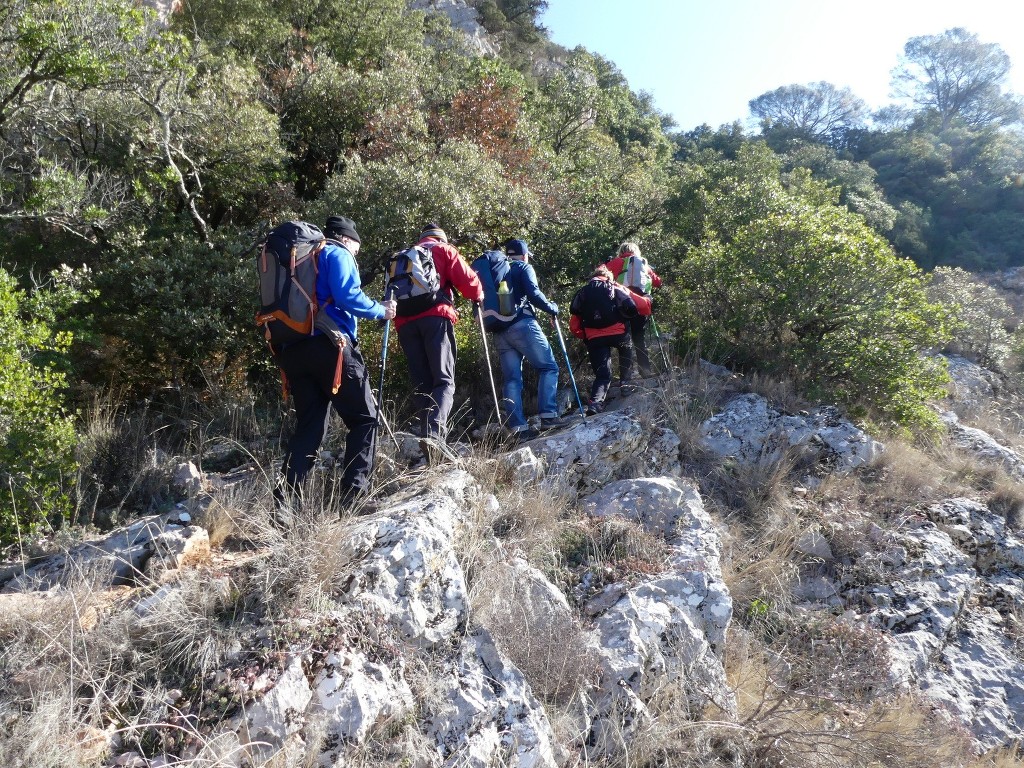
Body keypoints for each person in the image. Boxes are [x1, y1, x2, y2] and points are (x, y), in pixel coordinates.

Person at [276, 215, 396, 518]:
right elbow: (347, 295)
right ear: (347, 239)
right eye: (356, 247)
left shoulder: (299, 259)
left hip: (293, 350)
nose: (355, 253)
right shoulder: (335, 252)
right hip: (330, 348)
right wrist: (381, 310)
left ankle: (284, 507)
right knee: (364, 418)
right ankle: (353, 497)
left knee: (310, 427)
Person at [394, 223, 483, 445]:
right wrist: (479, 296)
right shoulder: (443, 250)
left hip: (404, 324)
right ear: (440, 238)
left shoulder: (401, 258)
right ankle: (434, 436)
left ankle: (426, 433)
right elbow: (469, 282)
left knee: (422, 382)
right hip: (435, 318)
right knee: (443, 380)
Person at [491, 238, 567, 441]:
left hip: (499, 331)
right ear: (524, 255)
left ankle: (518, 428)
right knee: (548, 367)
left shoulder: (495, 268)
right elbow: (533, 293)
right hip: (522, 325)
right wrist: (552, 307)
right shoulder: (523, 267)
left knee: (512, 379)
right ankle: (548, 416)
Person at [569, 265, 641, 415]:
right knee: (625, 349)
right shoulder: (614, 286)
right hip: (617, 332)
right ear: (608, 276)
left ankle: (595, 403)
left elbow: (574, 310)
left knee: (602, 374)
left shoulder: (583, 291)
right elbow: (631, 306)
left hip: (594, 337)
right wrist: (625, 318)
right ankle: (625, 383)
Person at [603, 242, 662, 377]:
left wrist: (606, 263)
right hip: (641, 305)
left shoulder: (615, 262)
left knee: (624, 339)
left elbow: (600, 274)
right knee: (639, 339)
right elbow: (658, 282)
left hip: (621, 305)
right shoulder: (643, 264)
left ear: (621, 251)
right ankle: (645, 371)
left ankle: (626, 374)